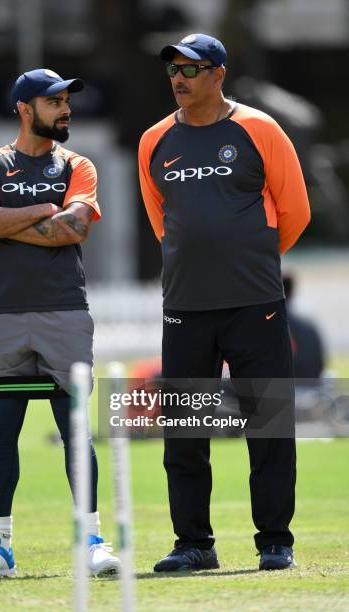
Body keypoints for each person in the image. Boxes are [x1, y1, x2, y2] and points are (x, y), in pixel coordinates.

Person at [138, 34, 311, 572]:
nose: (179, 79)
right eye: (173, 71)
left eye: (190, 70)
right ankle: (194, 544)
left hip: (255, 302)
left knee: (269, 423)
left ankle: (275, 541)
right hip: (185, 305)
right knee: (185, 431)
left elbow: (296, 211)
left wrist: (249, 260)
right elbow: (161, 218)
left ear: (218, 74)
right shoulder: (154, 141)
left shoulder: (260, 129)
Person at [0, 68, 120, 578]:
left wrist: (8, 220)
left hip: (64, 310)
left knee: (75, 431)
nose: (66, 108)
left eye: (67, 100)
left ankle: (91, 540)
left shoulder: (79, 165)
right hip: (3, 311)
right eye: (55, 101)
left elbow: (73, 230)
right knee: (3, 432)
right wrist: (41, 210)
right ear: (26, 108)